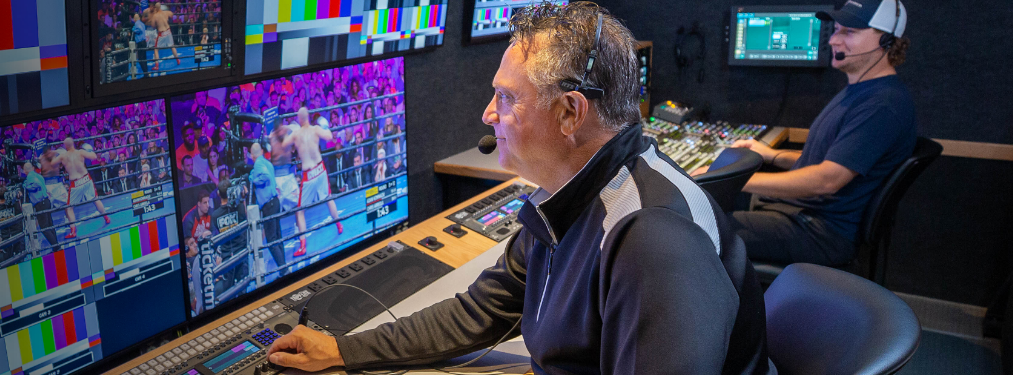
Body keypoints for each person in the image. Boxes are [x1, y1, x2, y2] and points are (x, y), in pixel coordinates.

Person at [265, 3, 769, 374]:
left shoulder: (650, 238)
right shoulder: (568, 193)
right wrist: (346, 350)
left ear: (570, 112)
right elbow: (482, 311)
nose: (488, 115)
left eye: (506, 98)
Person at [702, 0, 915, 267]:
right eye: (836, 30)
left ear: (886, 41)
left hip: (820, 233)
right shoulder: (863, 91)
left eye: (849, 32)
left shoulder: (882, 105)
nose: (835, 41)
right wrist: (773, 155)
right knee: (707, 218)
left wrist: (730, 180)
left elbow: (827, 179)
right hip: (804, 216)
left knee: (697, 229)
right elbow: (831, 159)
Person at [281, 107, 342, 257]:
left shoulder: (296, 134)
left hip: (308, 174)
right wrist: (325, 125)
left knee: (300, 211)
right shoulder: (315, 129)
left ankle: (303, 246)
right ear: (308, 117)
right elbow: (329, 136)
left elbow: (283, 145)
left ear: (298, 118)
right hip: (320, 169)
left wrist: (288, 128)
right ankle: (339, 224)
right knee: (328, 197)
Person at [46, 138, 112, 239]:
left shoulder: (63, 156)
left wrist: (56, 152)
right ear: (73, 144)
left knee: (69, 208)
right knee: (95, 199)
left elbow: (52, 163)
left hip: (75, 183)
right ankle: (106, 218)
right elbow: (94, 156)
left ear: (65, 146)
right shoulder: (80, 152)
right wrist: (89, 149)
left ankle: (73, 231)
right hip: (86, 179)